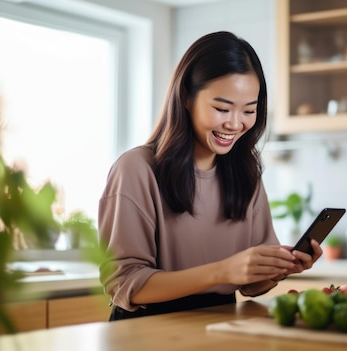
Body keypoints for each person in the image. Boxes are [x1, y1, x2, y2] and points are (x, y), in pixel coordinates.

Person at [98, 31, 323, 321]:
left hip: (220, 325)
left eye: (248, 110)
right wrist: (223, 270)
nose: (235, 123)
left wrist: (278, 269)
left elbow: (251, 286)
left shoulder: (247, 174)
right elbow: (124, 282)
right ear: (187, 98)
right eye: (222, 108)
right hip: (147, 329)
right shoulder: (137, 169)